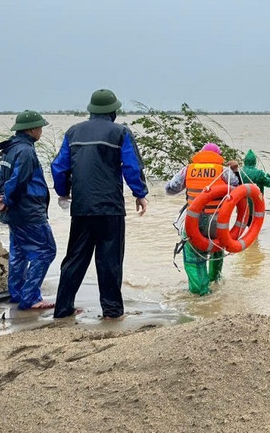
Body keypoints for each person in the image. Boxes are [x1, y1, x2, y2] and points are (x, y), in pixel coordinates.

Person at [50, 89, 149, 319]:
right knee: (109, 260)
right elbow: (132, 166)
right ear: (113, 111)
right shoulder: (121, 132)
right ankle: (112, 311)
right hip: (110, 207)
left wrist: (63, 193)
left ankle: (63, 309)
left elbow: (59, 167)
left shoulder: (73, 132)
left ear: (92, 111)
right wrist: (140, 193)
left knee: (74, 258)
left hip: (82, 207)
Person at [0, 110, 56, 310]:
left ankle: (17, 292)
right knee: (46, 251)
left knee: (18, 252)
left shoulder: (11, 149)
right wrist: (8, 199)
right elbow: (19, 179)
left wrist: (0, 197)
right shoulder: (26, 151)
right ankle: (31, 297)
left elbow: (0, 178)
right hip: (28, 211)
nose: (41, 131)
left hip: (15, 213)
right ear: (31, 129)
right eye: (40, 128)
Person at [165, 143, 240, 295]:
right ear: (218, 156)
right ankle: (215, 280)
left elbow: (170, 189)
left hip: (195, 221)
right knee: (217, 248)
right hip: (217, 222)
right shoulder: (223, 171)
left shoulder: (188, 169)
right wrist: (235, 171)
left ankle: (200, 291)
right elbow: (239, 187)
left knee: (193, 255)